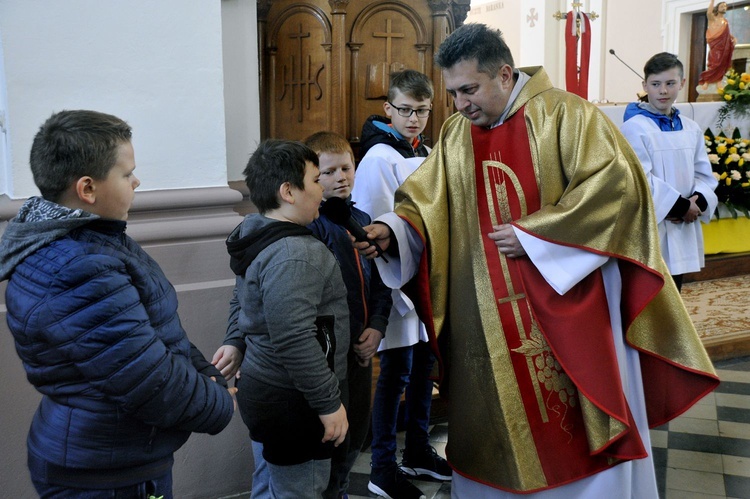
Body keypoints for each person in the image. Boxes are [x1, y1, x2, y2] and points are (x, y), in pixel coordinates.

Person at [354, 24, 719, 498]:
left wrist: (538, 236)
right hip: (486, 318)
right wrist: (395, 230)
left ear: (505, 75)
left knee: (572, 427)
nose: (460, 104)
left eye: (469, 89)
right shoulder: (458, 133)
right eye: (453, 93)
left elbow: (620, 192)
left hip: (568, 314)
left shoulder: (568, 116)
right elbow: (428, 205)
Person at [0, 110, 235, 498]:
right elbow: (144, 378)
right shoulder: (77, 265)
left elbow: (155, 330)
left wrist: (206, 372)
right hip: (104, 474)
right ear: (88, 189)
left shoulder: (91, 241)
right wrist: (217, 401)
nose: (136, 181)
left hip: (115, 458)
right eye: (127, 174)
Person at [211, 139, 349, 498]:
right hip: (294, 398)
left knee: (271, 482)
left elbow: (243, 296)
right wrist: (328, 403)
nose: (323, 190)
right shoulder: (295, 254)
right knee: (298, 490)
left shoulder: (256, 230)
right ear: (288, 191)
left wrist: (235, 339)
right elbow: (294, 338)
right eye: (317, 180)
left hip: (266, 387)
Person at [351, 69, 451, 499]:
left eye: (422, 111)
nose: (414, 119)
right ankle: (382, 466)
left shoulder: (425, 151)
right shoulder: (378, 157)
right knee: (394, 373)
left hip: (423, 277)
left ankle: (417, 450)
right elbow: (375, 227)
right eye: (405, 110)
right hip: (393, 283)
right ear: (388, 109)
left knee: (422, 366)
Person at [300, 131, 393, 499]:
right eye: (330, 171)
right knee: (332, 442)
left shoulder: (363, 218)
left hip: (361, 348)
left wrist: (377, 327)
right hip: (330, 356)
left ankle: (338, 489)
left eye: (346, 167)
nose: (341, 177)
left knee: (357, 432)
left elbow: (381, 279)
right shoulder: (312, 226)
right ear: (311, 177)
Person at [621, 52, 719, 292]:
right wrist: (680, 207)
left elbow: (704, 174)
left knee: (676, 289)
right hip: (653, 226)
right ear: (645, 86)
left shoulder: (691, 128)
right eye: (655, 84)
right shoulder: (635, 128)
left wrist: (698, 201)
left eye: (670, 83)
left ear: (682, 84)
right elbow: (639, 178)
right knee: (651, 293)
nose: (663, 91)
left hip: (683, 223)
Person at [699, 0, 736, 86]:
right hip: (715, 44)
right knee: (714, 61)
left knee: (723, 62)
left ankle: (719, 80)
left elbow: (726, 33)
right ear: (717, 8)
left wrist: (733, 38)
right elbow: (708, 12)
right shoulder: (713, 18)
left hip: (724, 45)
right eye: (722, 6)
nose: (724, 7)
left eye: (725, 6)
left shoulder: (725, 21)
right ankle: (707, 81)